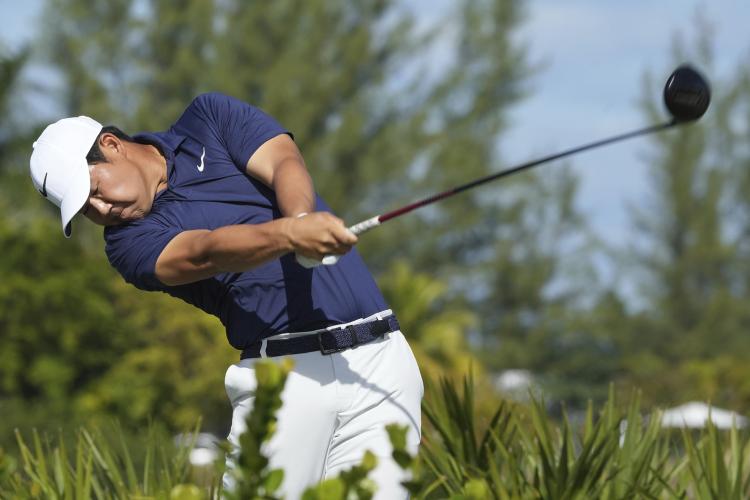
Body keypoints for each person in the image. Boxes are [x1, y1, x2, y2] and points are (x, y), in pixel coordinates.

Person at [29, 92, 423, 498]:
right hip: (284, 381)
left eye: (95, 189)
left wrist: (301, 218)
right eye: (86, 210)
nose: (101, 209)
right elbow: (205, 251)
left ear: (111, 144)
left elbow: (283, 161)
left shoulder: (208, 119)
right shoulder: (126, 245)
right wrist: (291, 234)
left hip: (381, 363)